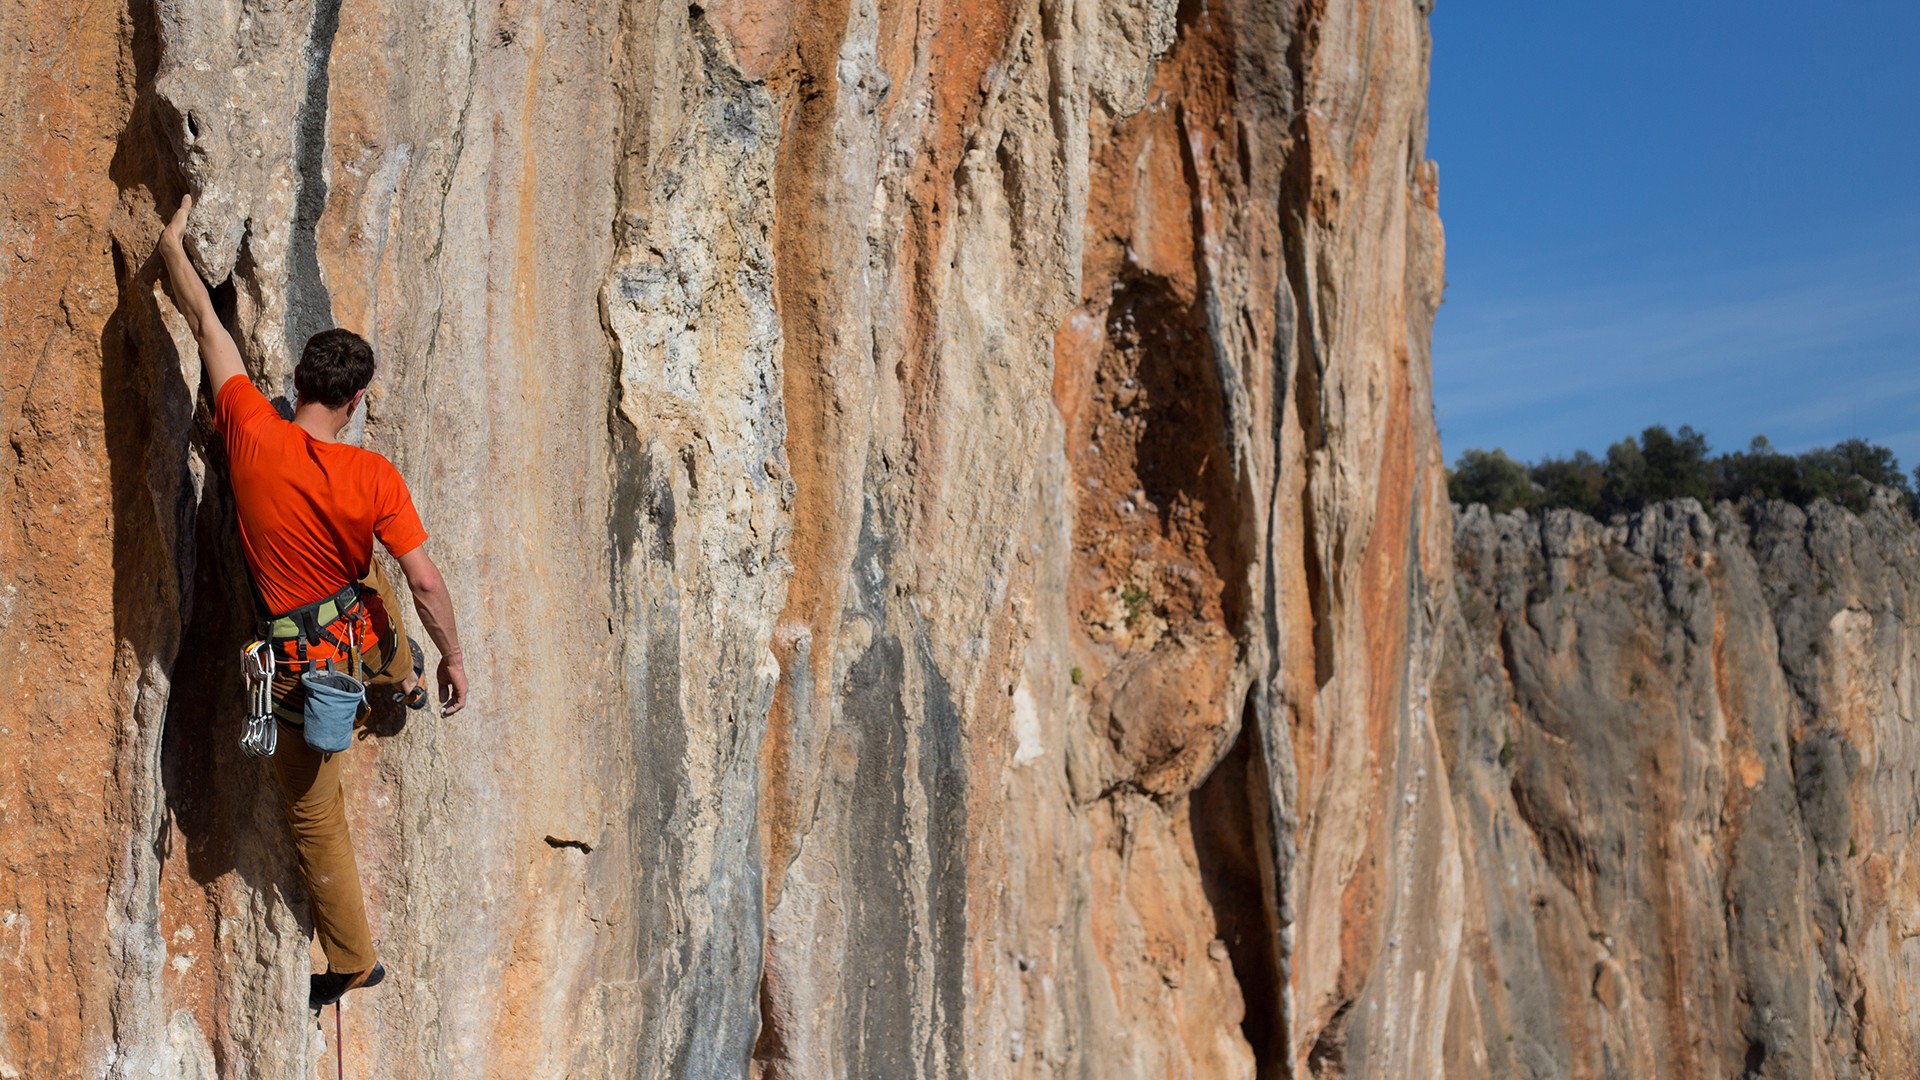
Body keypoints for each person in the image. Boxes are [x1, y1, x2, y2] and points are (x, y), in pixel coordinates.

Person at [155, 193, 469, 1010]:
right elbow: (425, 581)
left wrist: (173, 245)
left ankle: (354, 959)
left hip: (303, 670)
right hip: (361, 637)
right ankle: (400, 678)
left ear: (295, 381)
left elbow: (206, 325)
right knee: (373, 583)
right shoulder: (374, 477)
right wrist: (452, 659)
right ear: (356, 402)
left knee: (314, 813)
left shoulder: (251, 432)